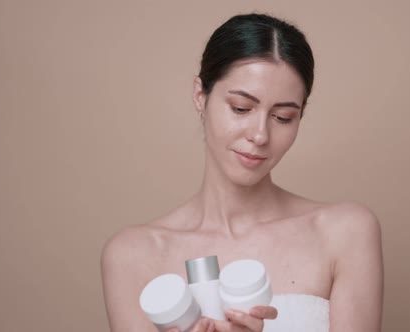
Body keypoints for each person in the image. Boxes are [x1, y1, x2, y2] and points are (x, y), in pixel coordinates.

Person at [101, 13, 383, 332]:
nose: (260, 135)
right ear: (200, 96)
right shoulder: (133, 256)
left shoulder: (344, 233)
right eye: (241, 108)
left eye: (283, 117)